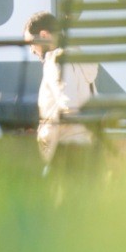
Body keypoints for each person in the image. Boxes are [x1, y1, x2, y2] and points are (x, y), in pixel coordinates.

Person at [27, 10, 97, 170]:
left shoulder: (55, 61)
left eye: (31, 43)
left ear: (43, 35)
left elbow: (68, 108)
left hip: (67, 154)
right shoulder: (78, 61)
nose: (31, 50)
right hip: (89, 148)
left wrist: (42, 137)